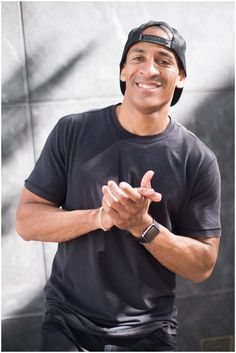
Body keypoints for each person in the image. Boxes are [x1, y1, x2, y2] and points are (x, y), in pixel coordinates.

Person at [16, 20, 221, 351]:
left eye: (164, 60)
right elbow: (26, 222)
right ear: (124, 71)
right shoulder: (73, 132)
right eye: (137, 58)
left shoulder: (197, 159)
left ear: (180, 76)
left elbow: (202, 265)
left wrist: (143, 226)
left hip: (151, 329)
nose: (149, 69)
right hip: (68, 323)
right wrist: (101, 217)